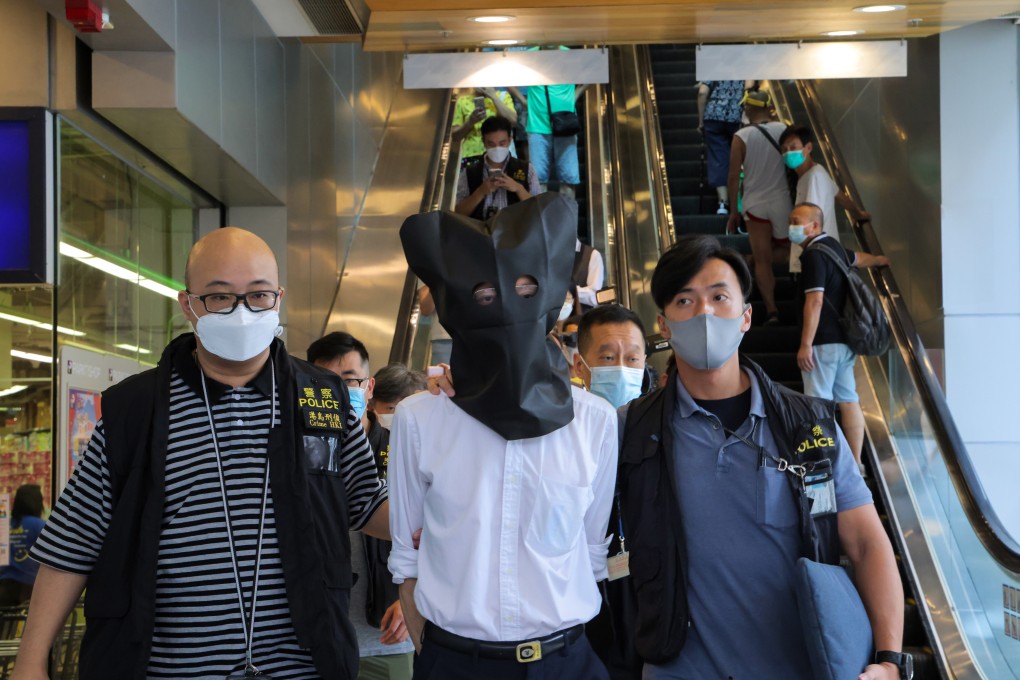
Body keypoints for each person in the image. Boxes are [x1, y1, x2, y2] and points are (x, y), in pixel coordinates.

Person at [15, 227, 389, 680]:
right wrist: (30, 662)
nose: (241, 311)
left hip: (305, 666)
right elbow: (74, 541)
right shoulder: (135, 410)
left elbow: (371, 506)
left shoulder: (323, 399)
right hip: (168, 670)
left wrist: (455, 439)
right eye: (219, 297)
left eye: (258, 296)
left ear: (279, 298)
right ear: (188, 305)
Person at [617, 234, 906, 680]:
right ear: (664, 325)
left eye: (719, 296)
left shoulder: (808, 424)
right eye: (684, 301)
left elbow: (866, 543)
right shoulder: (631, 429)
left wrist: (889, 661)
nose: (705, 313)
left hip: (800, 665)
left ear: (747, 316)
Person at [390, 194, 616, 680]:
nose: (506, 306)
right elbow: (405, 559)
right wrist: (430, 646)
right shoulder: (419, 417)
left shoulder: (595, 421)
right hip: (455, 661)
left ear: (553, 291)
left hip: (567, 661)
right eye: (485, 294)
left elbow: (592, 548)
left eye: (526, 288)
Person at [308, 335, 425, 680]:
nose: (340, 393)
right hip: (317, 637)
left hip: (386, 636)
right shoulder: (301, 450)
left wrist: (412, 595)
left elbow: (431, 527)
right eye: (324, 383)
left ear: (369, 386)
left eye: (349, 380)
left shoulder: (404, 450)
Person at [790, 203, 890, 464]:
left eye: (796, 220)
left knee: (818, 403)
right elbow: (858, 258)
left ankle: (824, 463)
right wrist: (880, 261)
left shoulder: (813, 256)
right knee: (848, 400)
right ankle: (855, 464)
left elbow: (815, 301)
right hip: (846, 342)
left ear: (814, 225)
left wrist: (805, 344)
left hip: (822, 342)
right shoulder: (833, 248)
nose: (792, 226)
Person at [726, 89, 792, 325]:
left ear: (747, 109)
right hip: (782, 201)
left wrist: (734, 210)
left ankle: (772, 310)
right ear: (768, 107)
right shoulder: (784, 129)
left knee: (763, 260)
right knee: (790, 252)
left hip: (754, 205)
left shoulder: (740, 137)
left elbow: (734, 176)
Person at [779, 125, 870, 272]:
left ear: (808, 148)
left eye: (793, 147)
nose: (788, 153)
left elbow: (808, 223)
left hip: (815, 258)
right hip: (821, 257)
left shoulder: (813, 177)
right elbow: (839, 195)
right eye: (784, 150)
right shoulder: (816, 171)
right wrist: (857, 213)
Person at [518, 68, 590, 200]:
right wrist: (523, 101)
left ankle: (566, 219)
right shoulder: (532, 55)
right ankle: (542, 219)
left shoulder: (567, 54)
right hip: (537, 127)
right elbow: (508, 74)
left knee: (568, 179)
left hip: (565, 126)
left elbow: (594, 70)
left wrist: (576, 94)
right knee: (538, 181)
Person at [455, 116, 540, 220]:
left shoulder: (526, 169)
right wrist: (481, 192)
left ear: (509, 140)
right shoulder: (469, 172)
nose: (497, 148)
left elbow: (538, 209)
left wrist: (518, 188)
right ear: (483, 142)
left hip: (515, 231)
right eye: (491, 144)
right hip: (478, 230)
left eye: (502, 143)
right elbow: (458, 212)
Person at [571, 304, 647, 410]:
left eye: (633, 359)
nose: (621, 370)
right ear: (579, 365)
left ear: (644, 362)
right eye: (608, 357)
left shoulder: (661, 421)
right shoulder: (565, 423)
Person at [696, 80, 748, 214]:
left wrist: (701, 122)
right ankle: (740, 200)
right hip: (736, 118)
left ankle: (723, 203)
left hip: (713, 117)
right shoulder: (745, 65)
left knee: (718, 159)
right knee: (740, 158)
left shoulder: (715, 66)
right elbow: (749, 87)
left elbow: (702, 92)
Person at [0, 485, 46, 606]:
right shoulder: (39, 525)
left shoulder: (6, 525)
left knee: (7, 623)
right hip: (29, 587)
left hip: (5, 585)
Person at [451, 87, 518, 161]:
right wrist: (470, 122)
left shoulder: (503, 96)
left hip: (499, 153)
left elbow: (513, 121)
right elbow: (455, 136)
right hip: (472, 155)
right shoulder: (463, 101)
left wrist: (493, 97)